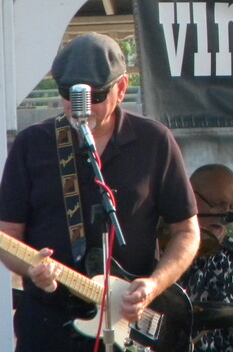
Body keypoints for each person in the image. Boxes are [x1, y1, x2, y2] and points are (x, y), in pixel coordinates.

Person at [0, 32, 200, 352]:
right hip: (49, 324)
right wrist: (31, 268)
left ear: (121, 89)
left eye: (96, 95)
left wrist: (153, 285)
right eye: (69, 93)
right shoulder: (32, 144)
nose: (82, 105)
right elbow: (7, 233)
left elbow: (187, 231)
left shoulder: (155, 141)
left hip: (130, 322)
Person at [179, 164, 233, 352]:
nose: (226, 215)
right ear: (190, 196)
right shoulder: (161, 249)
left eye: (232, 207)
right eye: (218, 204)